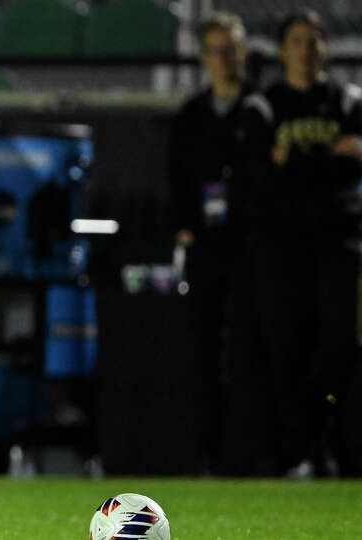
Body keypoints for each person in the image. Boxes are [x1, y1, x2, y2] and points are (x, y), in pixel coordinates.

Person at [234, 8, 362, 476]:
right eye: (297, 42)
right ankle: (297, 453)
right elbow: (260, 178)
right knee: (286, 350)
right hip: (282, 248)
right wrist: (329, 158)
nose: (306, 52)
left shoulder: (349, 100)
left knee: (338, 348)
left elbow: (347, 169)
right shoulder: (263, 106)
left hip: (339, 244)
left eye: (315, 42)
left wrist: (296, 161)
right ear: (282, 50)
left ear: (326, 48)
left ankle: (333, 447)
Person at [166, 12, 253, 474]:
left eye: (232, 48)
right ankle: (206, 454)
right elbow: (176, 180)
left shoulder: (261, 109)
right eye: (216, 49)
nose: (224, 58)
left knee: (251, 352)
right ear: (203, 58)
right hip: (206, 250)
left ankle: (253, 453)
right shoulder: (191, 116)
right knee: (201, 352)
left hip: (256, 251)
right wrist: (186, 229)